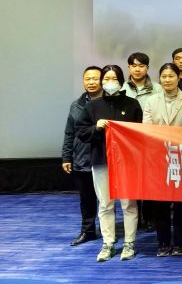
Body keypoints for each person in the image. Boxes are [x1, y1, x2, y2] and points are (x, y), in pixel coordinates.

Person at [76, 65, 143, 262]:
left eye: (114, 79)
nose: (110, 82)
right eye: (106, 79)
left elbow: (140, 134)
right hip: (101, 161)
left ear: (121, 81)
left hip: (127, 162)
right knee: (105, 204)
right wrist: (95, 128)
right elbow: (81, 132)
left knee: (129, 203)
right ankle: (108, 243)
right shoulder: (92, 106)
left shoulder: (132, 104)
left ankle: (129, 243)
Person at [142, 63, 182, 257]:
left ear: (178, 78)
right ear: (159, 78)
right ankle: (162, 242)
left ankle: (180, 242)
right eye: (164, 76)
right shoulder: (151, 101)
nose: (167, 79)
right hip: (158, 158)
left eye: (171, 76)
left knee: (181, 204)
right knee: (160, 203)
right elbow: (147, 129)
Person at [61, 66, 102, 247]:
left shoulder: (109, 104)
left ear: (102, 81)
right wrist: (66, 157)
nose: (91, 82)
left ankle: (109, 232)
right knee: (86, 198)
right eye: (88, 79)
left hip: (104, 157)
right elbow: (69, 133)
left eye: (95, 79)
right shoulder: (76, 105)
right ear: (83, 81)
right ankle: (88, 231)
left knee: (107, 199)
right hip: (82, 157)